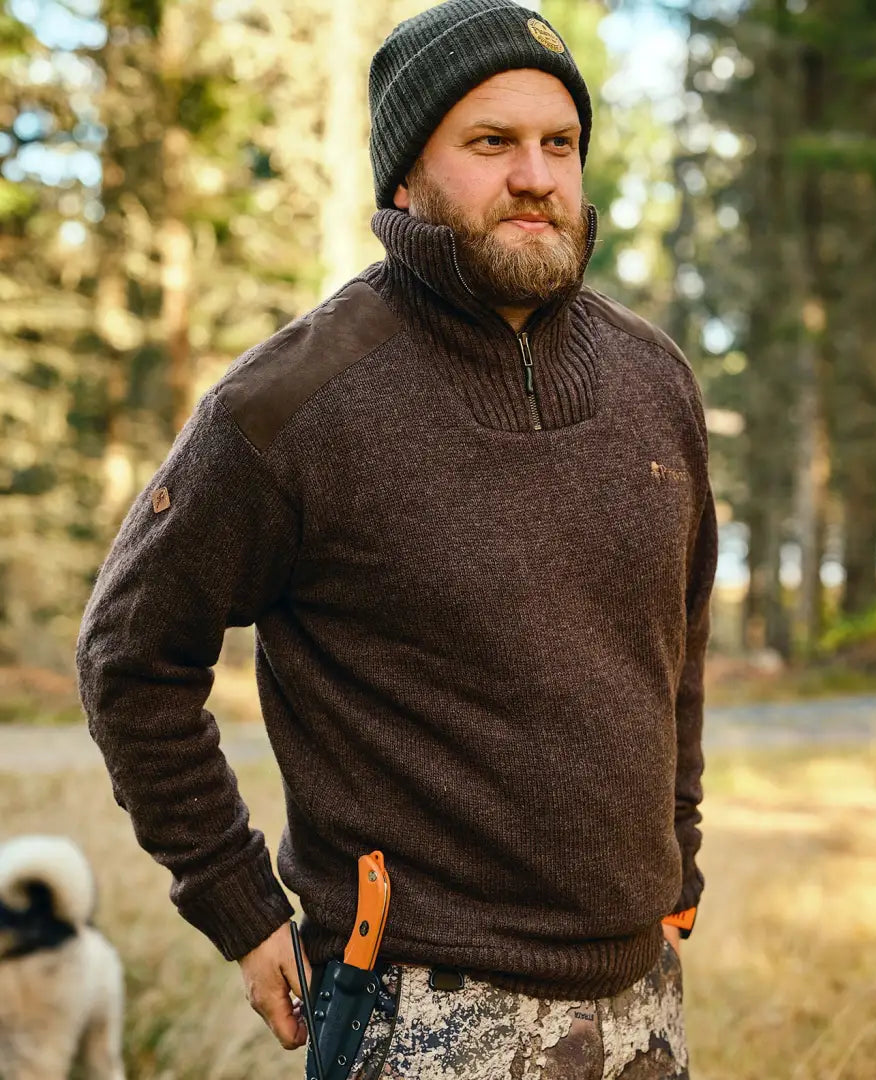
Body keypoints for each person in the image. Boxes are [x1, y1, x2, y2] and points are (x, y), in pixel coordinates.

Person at [75, 1, 718, 1076]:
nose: (535, 175)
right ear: (407, 179)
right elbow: (127, 656)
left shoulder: (655, 383)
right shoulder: (291, 403)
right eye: (490, 143)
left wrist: (678, 862)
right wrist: (236, 901)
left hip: (642, 999)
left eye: (559, 144)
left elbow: (676, 646)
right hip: (418, 1009)